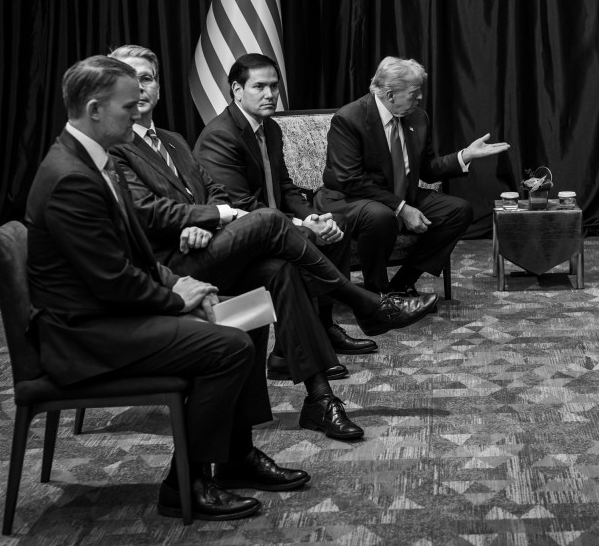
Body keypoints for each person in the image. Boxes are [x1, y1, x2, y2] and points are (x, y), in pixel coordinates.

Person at [25, 55, 308, 521]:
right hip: (86, 335)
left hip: (113, 313)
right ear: (94, 110)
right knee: (230, 345)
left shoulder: (94, 160)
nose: (136, 112)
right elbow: (112, 281)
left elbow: (131, 257)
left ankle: (235, 457)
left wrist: (181, 281)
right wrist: (177, 300)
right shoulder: (71, 177)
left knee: (250, 314)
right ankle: (184, 484)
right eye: (127, 106)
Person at [108, 46, 433, 441]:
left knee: (280, 269)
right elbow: (146, 212)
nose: (140, 88)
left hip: (206, 247)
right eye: (131, 79)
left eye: (147, 78)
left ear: (159, 86)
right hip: (169, 268)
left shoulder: (173, 140)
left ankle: (318, 399)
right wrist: (206, 219)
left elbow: (211, 190)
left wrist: (210, 218)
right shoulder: (116, 148)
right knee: (269, 220)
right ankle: (364, 302)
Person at [313, 56, 509, 294]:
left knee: (458, 210)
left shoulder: (418, 117)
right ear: (390, 95)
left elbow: (427, 169)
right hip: (350, 198)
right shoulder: (349, 119)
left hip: (398, 194)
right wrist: (402, 208)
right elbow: (351, 179)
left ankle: (402, 284)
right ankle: (377, 294)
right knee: (380, 215)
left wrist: (465, 155)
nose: (420, 97)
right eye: (414, 92)